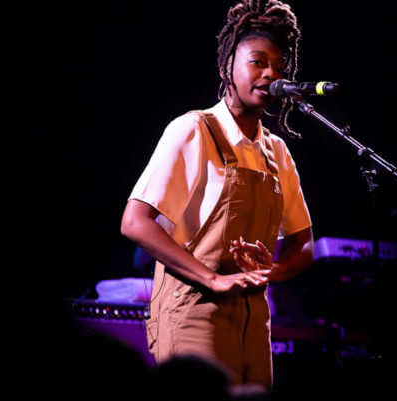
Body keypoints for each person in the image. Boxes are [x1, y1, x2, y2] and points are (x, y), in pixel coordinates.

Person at [120, 0, 314, 390]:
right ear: (227, 68)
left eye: (279, 67)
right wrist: (212, 279)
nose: (271, 73)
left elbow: (303, 244)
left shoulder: (276, 151)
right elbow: (135, 223)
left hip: (254, 321)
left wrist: (271, 272)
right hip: (194, 313)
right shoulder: (193, 129)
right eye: (258, 62)